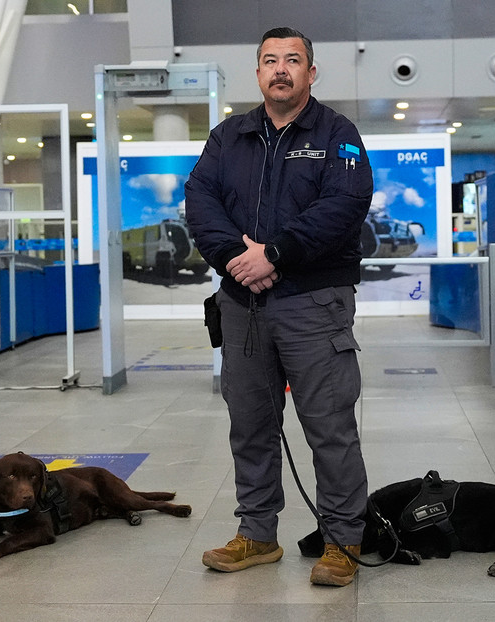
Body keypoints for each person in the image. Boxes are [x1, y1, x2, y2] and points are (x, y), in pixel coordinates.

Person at [184, 27, 374, 587]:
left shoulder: (338, 134)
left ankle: (342, 540)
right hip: (242, 306)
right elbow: (200, 200)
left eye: (293, 60)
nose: (281, 69)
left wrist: (276, 255)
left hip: (314, 302)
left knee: (329, 425)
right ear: (258, 73)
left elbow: (344, 205)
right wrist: (235, 260)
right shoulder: (229, 137)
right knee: (250, 425)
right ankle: (258, 534)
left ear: (311, 73)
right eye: (270, 61)